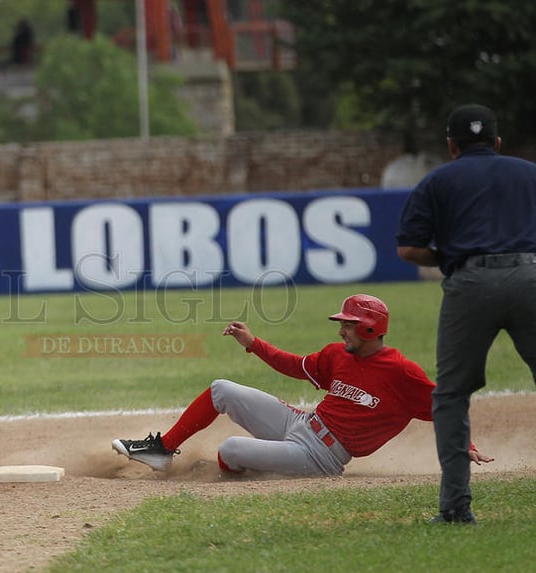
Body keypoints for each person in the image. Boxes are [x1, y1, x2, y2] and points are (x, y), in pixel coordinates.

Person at [112, 295, 492, 494]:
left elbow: (445, 405)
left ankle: (235, 482)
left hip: (322, 457)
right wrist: (253, 343)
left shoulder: (401, 372)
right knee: (221, 389)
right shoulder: (337, 355)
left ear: (371, 328)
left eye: (349, 324)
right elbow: (294, 365)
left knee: (228, 449)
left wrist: (467, 442)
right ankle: (161, 451)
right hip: (301, 423)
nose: (342, 330)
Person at [397, 103, 536, 524]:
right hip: (531, 276)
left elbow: (408, 248)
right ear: (497, 142)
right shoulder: (529, 172)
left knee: (452, 395)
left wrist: (453, 258)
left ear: (451, 146)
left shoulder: (437, 180)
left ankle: (456, 507)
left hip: (470, 283)